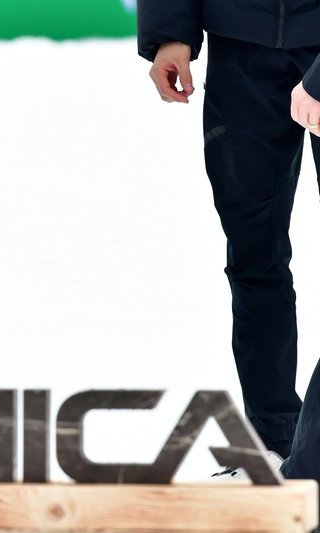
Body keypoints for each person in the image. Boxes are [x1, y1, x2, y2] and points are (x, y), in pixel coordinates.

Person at [137, 2, 320, 481]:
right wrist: (169, 30)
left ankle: (312, 464)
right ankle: (270, 442)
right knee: (253, 254)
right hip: (240, 43)